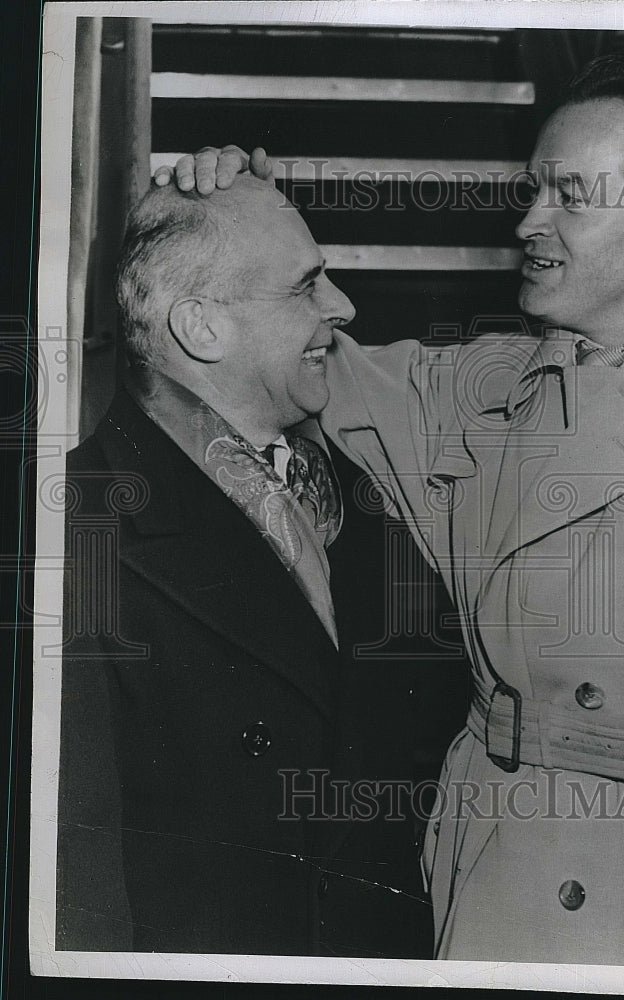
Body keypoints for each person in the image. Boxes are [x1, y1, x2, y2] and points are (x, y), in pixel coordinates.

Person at [163, 51, 624, 970]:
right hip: (487, 874)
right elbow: (283, 360)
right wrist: (233, 216)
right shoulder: (482, 386)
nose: (528, 221)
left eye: (570, 195)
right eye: (534, 189)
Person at [56, 175, 384, 955]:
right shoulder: (74, 523)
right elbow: (74, 872)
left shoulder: (359, 481)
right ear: (201, 327)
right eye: (306, 285)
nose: (342, 308)